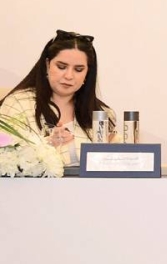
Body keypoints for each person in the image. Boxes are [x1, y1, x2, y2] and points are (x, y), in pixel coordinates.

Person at [0, 29, 116, 165]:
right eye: (61, 67)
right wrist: (47, 145)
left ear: (87, 73)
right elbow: (7, 158)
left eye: (78, 69)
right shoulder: (18, 104)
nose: (69, 76)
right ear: (47, 65)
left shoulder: (103, 114)